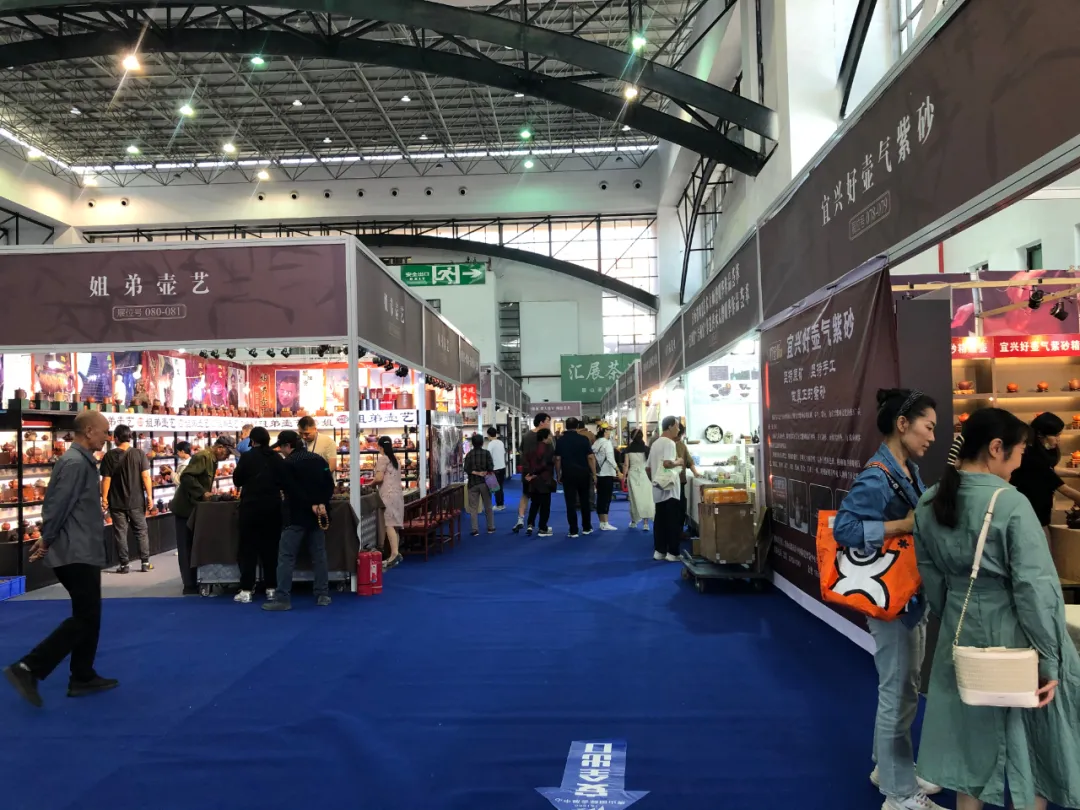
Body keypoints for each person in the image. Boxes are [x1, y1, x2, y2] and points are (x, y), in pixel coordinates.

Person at [914, 407, 1080, 810]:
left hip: (959, 631)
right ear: (996, 448)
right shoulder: (1011, 504)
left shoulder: (930, 500)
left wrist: (955, 614)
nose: (1020, 462)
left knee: (967, 744)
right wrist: (1051, 658)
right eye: (1020, 452)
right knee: (1034, 742)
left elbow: (931, 578)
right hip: (1017, 634)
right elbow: (1035, 590)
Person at [832, 388, 941, 810]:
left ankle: (889, 768)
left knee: (905, 687)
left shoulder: (907, 469)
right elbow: (844, 529)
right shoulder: (878, 476)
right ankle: (899, 793)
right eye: (928, 426)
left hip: (907, 597)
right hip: (891, 600)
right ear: (903, 424)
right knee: (898, 691)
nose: (932, 436)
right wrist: (902, 525)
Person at [3, 411, 118, 706]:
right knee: (86, 616)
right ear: (89, 431)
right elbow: (56, 506)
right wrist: (47, 539)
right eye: (104, 431)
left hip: (83, 547)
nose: (107, 437)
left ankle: (82, 675)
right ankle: (29, 667)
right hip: (74, 550)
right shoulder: (74, 463)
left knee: (89, 614)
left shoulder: (81, 461)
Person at [263, 430, 335, 610]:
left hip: (295, 515)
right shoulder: (319, 460)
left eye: (282, 447)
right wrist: (321, 502)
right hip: (318, 514)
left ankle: (282, 598)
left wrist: (311, 503)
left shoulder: (288, 463)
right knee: (319, 555)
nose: (281, 451)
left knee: (286, 557)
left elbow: (291, 489)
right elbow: (329, 483)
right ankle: (323, 594)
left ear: (288, 446)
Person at [170, 435, 238, 596]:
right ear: (220, 448)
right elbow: (186, 476)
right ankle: (189, 585)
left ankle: (194, 581)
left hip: (195, 507)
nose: (227, 456)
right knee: (186, 547)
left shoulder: (211, 459)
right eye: (227, 452)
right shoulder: (203, 457)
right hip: (185, 508)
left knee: (193, 545)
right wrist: (202, 493)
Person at [1010, 412, 1080, 549]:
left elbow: (1050, 470)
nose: (1058, 440)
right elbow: (1064, 489)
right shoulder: (1033, 458)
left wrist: (1076, 473)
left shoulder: (1037, 453)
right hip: (1032, 515)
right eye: (1055, 435)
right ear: (1041, 435)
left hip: (1038, 514)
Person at [231, 427, 282, 603]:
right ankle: (271, 588)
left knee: (248, 549)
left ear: (252, 441)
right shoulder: (276, 457)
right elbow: (283, 481)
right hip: (273, 507)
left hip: (250, 507)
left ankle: (246, 589)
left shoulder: (247, 457)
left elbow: (237, 480)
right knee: (271, 548)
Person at [99, 423, 154, 574]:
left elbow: (106, 480)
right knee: (141, 532)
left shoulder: (109, 456)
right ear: (129, 437)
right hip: (136, 501)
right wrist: (150, 496)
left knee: (120, 533)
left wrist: (104, 499)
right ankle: (145, 563)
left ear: (116, 438)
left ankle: (124, 565)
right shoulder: (139, 454)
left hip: (117, 502)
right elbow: (146, 477)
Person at [648, 416, 685, 561]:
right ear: (670, 426)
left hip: (657, 487)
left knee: (660, 521)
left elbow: (648, 468)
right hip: (670, 489)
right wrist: (679, 461)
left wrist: (655, 481)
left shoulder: (655, 444)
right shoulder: (670, 443)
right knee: (673, 521)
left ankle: (660, 551)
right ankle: (673, 553)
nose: (678, 429)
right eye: (677, 426)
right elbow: (667, 464)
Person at [555, 417, 597, 538]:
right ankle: (586, 527)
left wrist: (558, 474)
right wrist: (594, 474)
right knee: (585, 501)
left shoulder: (561, 440)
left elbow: (557, 459)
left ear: (566, 426)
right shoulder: (584, 439)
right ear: (577, 426)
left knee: (570, 502)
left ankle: (573, 530)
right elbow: (590, 457)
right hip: (583, 474)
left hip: (568, 474)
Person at [514, 412, 550, 533]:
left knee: (526, 495)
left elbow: (521, 451)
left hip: (527, 471)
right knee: (541, 498)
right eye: (548, 421)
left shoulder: (526, 435)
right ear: (541, 422)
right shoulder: (546, 436)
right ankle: (538, 524)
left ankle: (521, 520)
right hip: (541, 472)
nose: (549, 423)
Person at [374, 436, 404, 569]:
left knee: (388, 524)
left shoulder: (383, 459)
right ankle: (396, 553)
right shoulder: (395, 459)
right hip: (397, 495)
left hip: (387, 495)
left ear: (380, 447)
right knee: (395, 525)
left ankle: (394, 554)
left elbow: (379, 478)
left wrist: (369, 484)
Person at [523, 427, 556, 537]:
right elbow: (544, 465)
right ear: (545, 437)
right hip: (544, 479)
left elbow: (527, 461)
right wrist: (534, 474)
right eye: (550, 435)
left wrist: (529, 473)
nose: (551, 437)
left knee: (535, 503)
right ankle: (542, 528)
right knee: (545, 506)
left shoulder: (533, 448)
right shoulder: (547, 449)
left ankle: (530, 524)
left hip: (534, 481)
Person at [464, 434, 496, 536]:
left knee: (473, 508)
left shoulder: (469, 455)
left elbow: (466, 469)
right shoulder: (486, 453)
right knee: (488, 506)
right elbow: (491, 467)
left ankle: (475, 530)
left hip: (473, 483)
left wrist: (476, 473)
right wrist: (484, 472)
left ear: (472, 443)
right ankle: (490, 527)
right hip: (485, 483)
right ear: (482, 443)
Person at [622, 429, 654, 531]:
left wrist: (624, 476)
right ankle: (646, 523)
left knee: (634, 499)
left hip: (633, 475)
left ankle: (634, 521)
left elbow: (626, 464)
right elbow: (650, 464)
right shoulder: (646, 449)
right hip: (645, 475)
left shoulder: (628, 449)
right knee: (646, 498)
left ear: (632, 437)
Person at [592, 427, 620, 531]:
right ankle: (605, 522)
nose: (610, 432)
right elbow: (610, 458)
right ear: (605, 432)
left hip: (599, 473)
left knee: (600, 498)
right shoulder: (607, 443)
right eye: (609, 430)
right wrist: (618, 470)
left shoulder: (596, 442)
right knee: (606, 499)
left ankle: (602, 522)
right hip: (607, 473)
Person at [675, 423, 701, 530]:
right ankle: (673, 532)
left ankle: (679, 530)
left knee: (681, 506)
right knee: (673, 507)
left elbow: (689, 461)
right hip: (670, 481)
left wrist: (695, 472)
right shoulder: (667, 444)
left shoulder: (682, 445)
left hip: (680, 480)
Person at [486, 427, 507, 511]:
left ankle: (499, 505)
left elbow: (488, 456)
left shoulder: (491, 444)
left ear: (488, 435)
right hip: (502, 467)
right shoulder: (500, 442)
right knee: (500, 487)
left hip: (495, 468)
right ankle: (501, 504)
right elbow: (503, 453)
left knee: (495, 488)